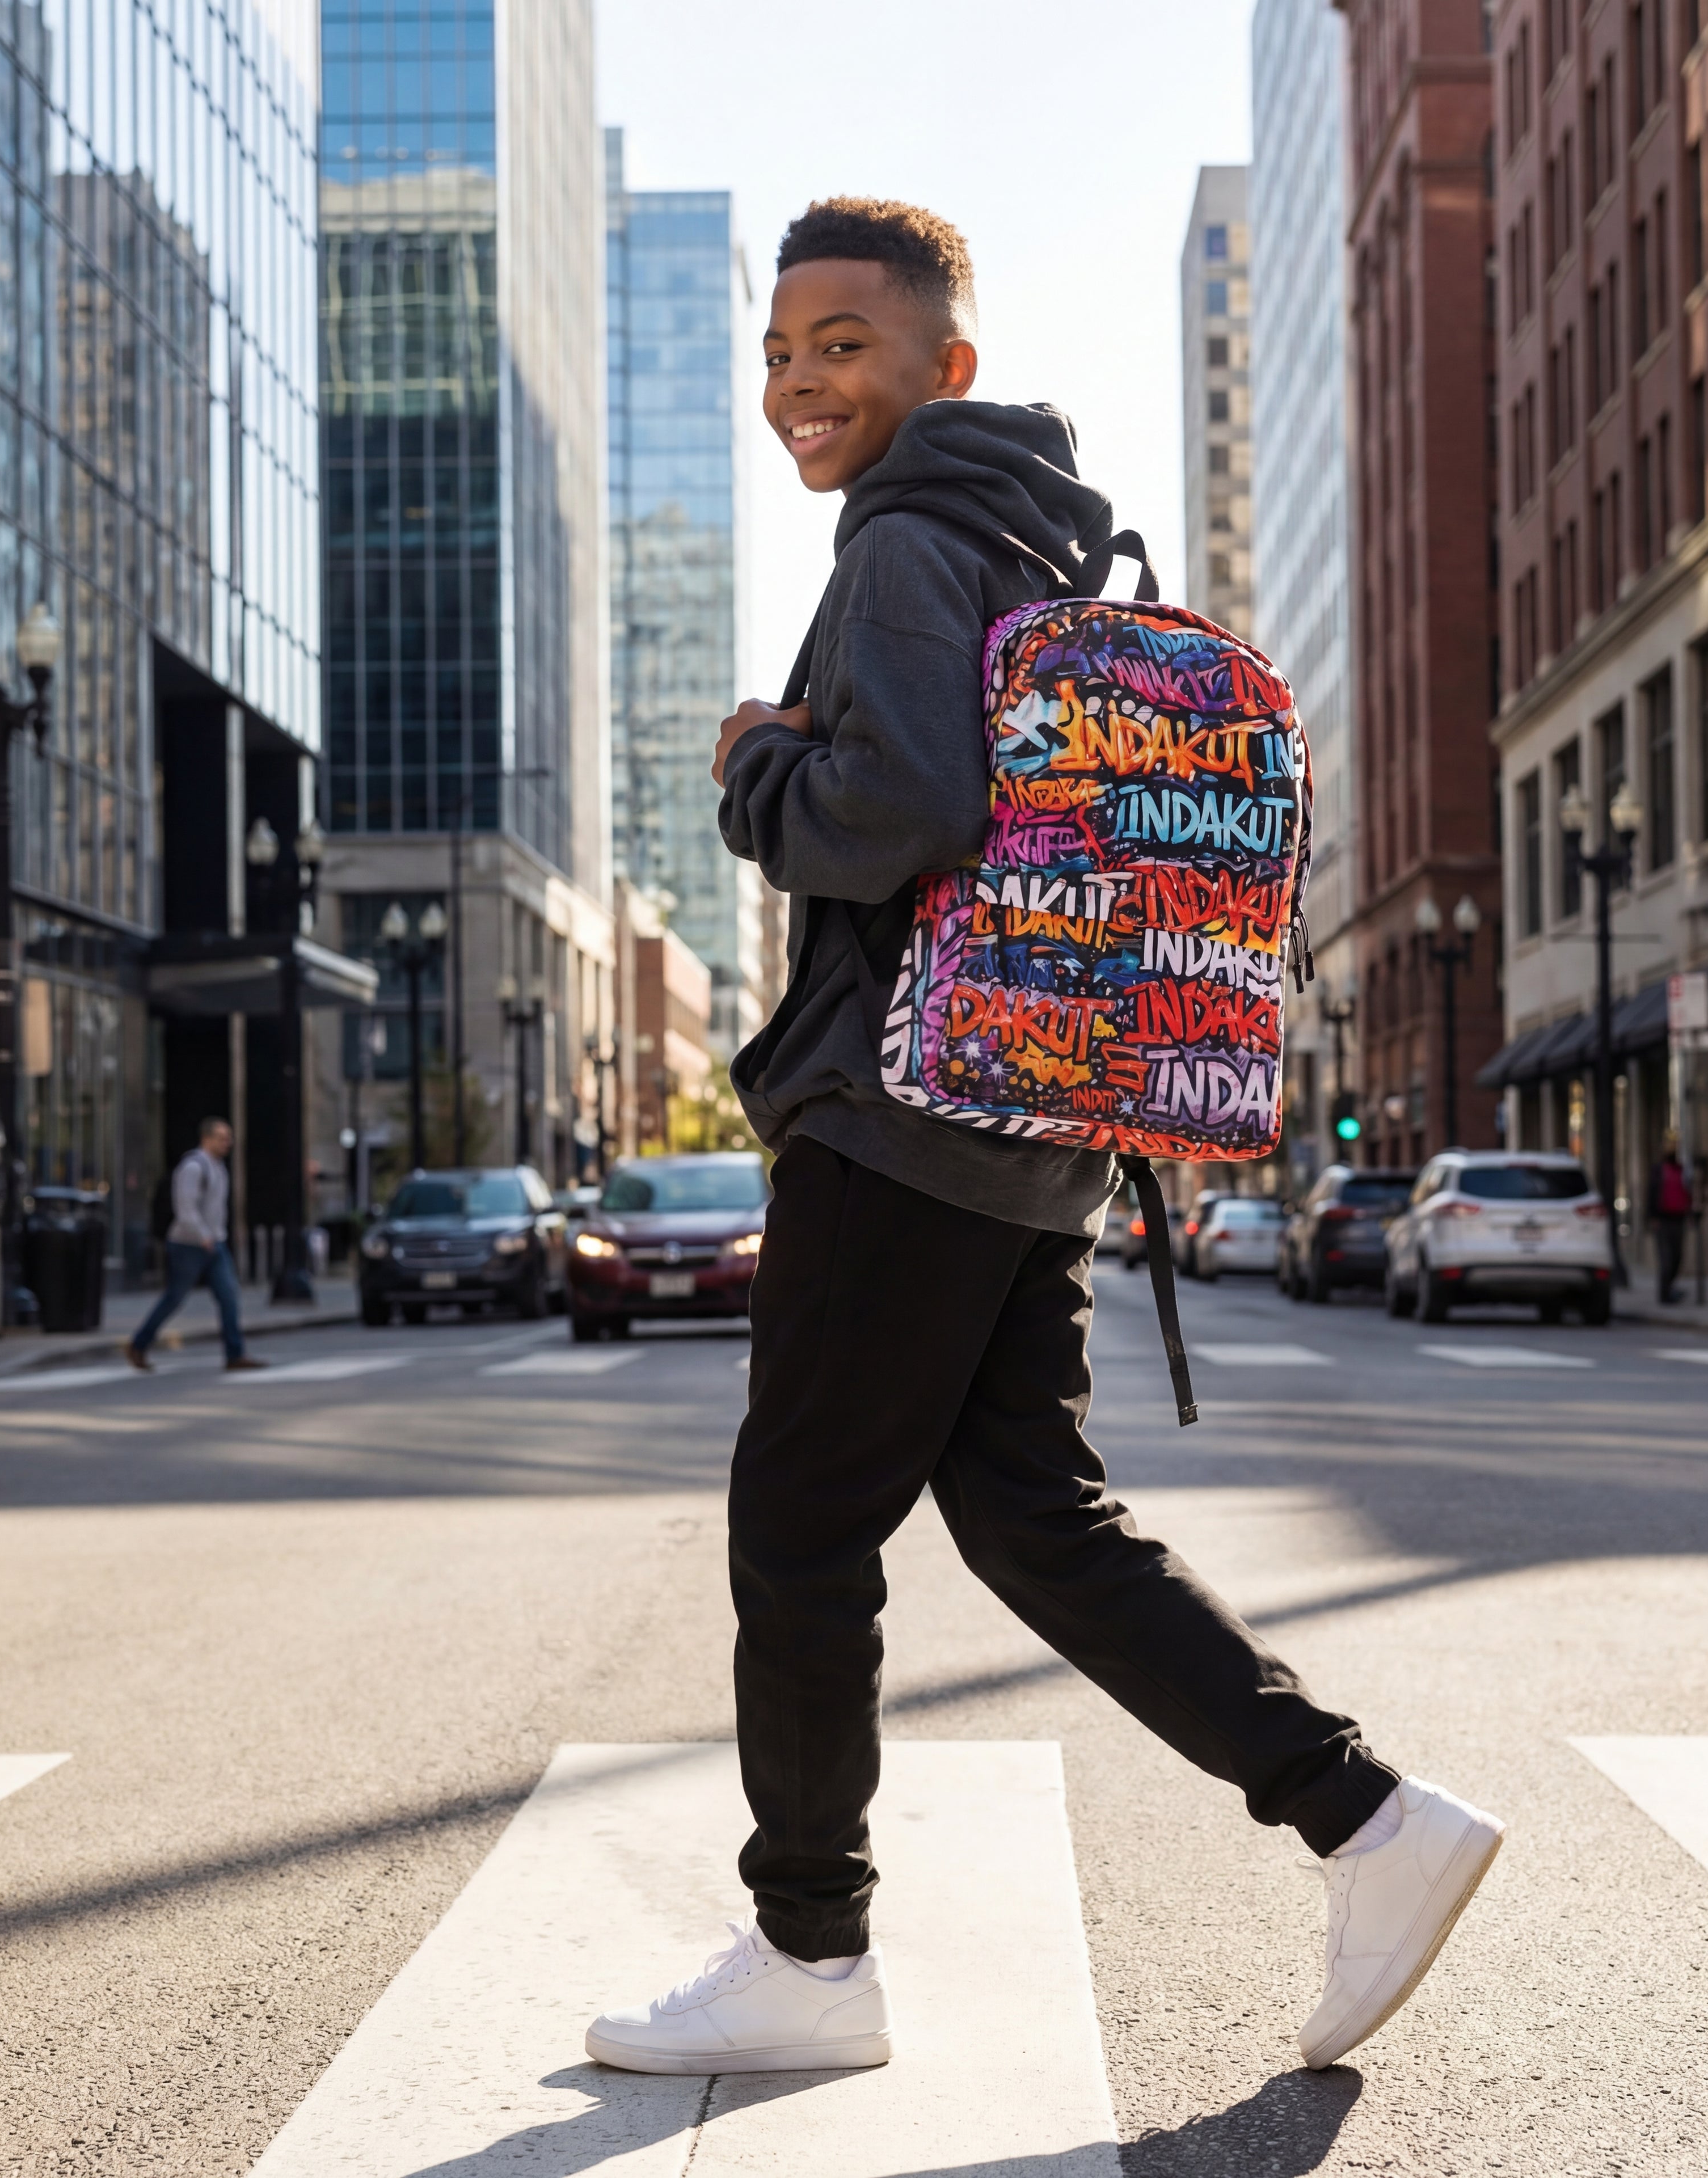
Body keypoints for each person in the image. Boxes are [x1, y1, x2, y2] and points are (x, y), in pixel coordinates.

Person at [583, 200, 1504, 2082]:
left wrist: (760, 768)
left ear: (948, 367)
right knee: (1031, 1513)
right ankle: (1367, 1819)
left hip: (907, 1115)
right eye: (779, 349)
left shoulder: (911, 548)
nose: (798, 382)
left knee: (803, 1524)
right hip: (1029, 1118)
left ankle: (809, 1953)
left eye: (844, 342)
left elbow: (899, 808)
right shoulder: (1030, 545)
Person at [124, 1119, 265, 1372]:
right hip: (188, 1245)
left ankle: (235, 1354)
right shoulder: (193, 1167)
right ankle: (138, 1344)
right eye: (222, 1138)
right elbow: (185, 1208)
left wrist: (216, 1237)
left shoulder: (219, 1168)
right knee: (174, 1298)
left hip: (214, 1244)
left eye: (229, 1138)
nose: (227, 1143)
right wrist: (203, 1236)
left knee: (229, 1297)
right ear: (207, 1139)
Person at [1646, 1138, 1692, 1302]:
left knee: (1678, 1257)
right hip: (1663, 1220)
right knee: (1666, 1259)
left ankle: (1670, 1288)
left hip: (1678, 1219)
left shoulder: (1681, 1170)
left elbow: (1688, 1192)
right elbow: (1651, 1193)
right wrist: (1652, 1217)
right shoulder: (1659, 1171)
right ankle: (1664, 1294)